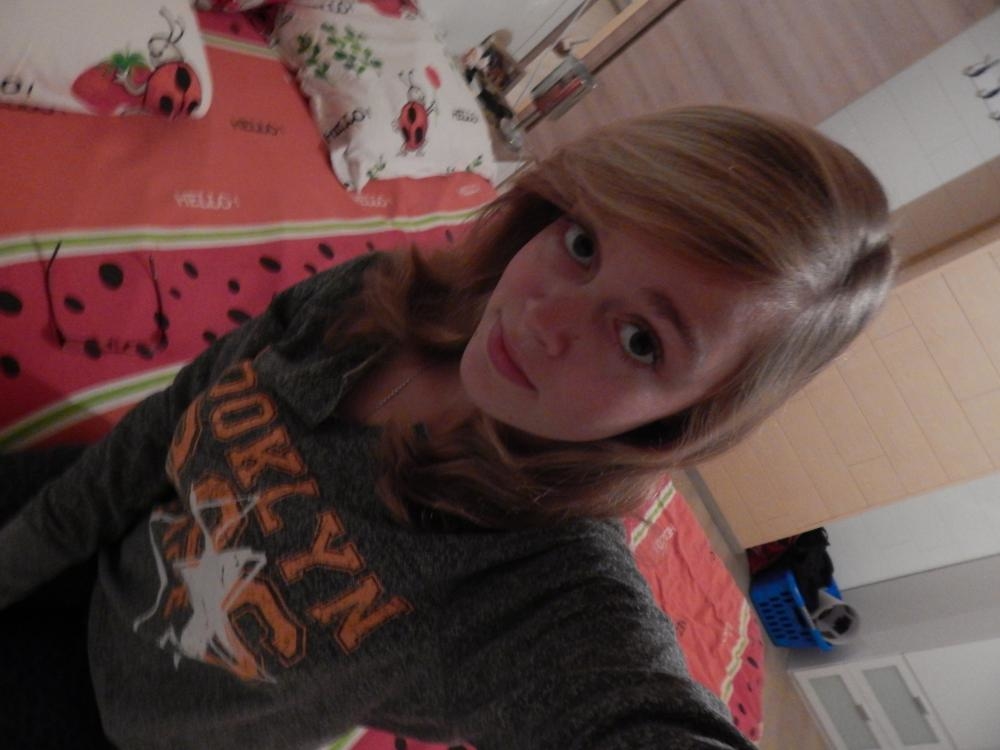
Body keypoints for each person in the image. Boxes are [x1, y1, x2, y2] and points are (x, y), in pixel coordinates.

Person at [0, 105, 894, 749]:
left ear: (682, 420)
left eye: (639, 340)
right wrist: (24, 554)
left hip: (119, 720)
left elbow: (630, 709)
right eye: (583, 243)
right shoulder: (368, 297)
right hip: (94, 524)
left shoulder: (539, 590)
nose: (544, 318)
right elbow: (173, 418)